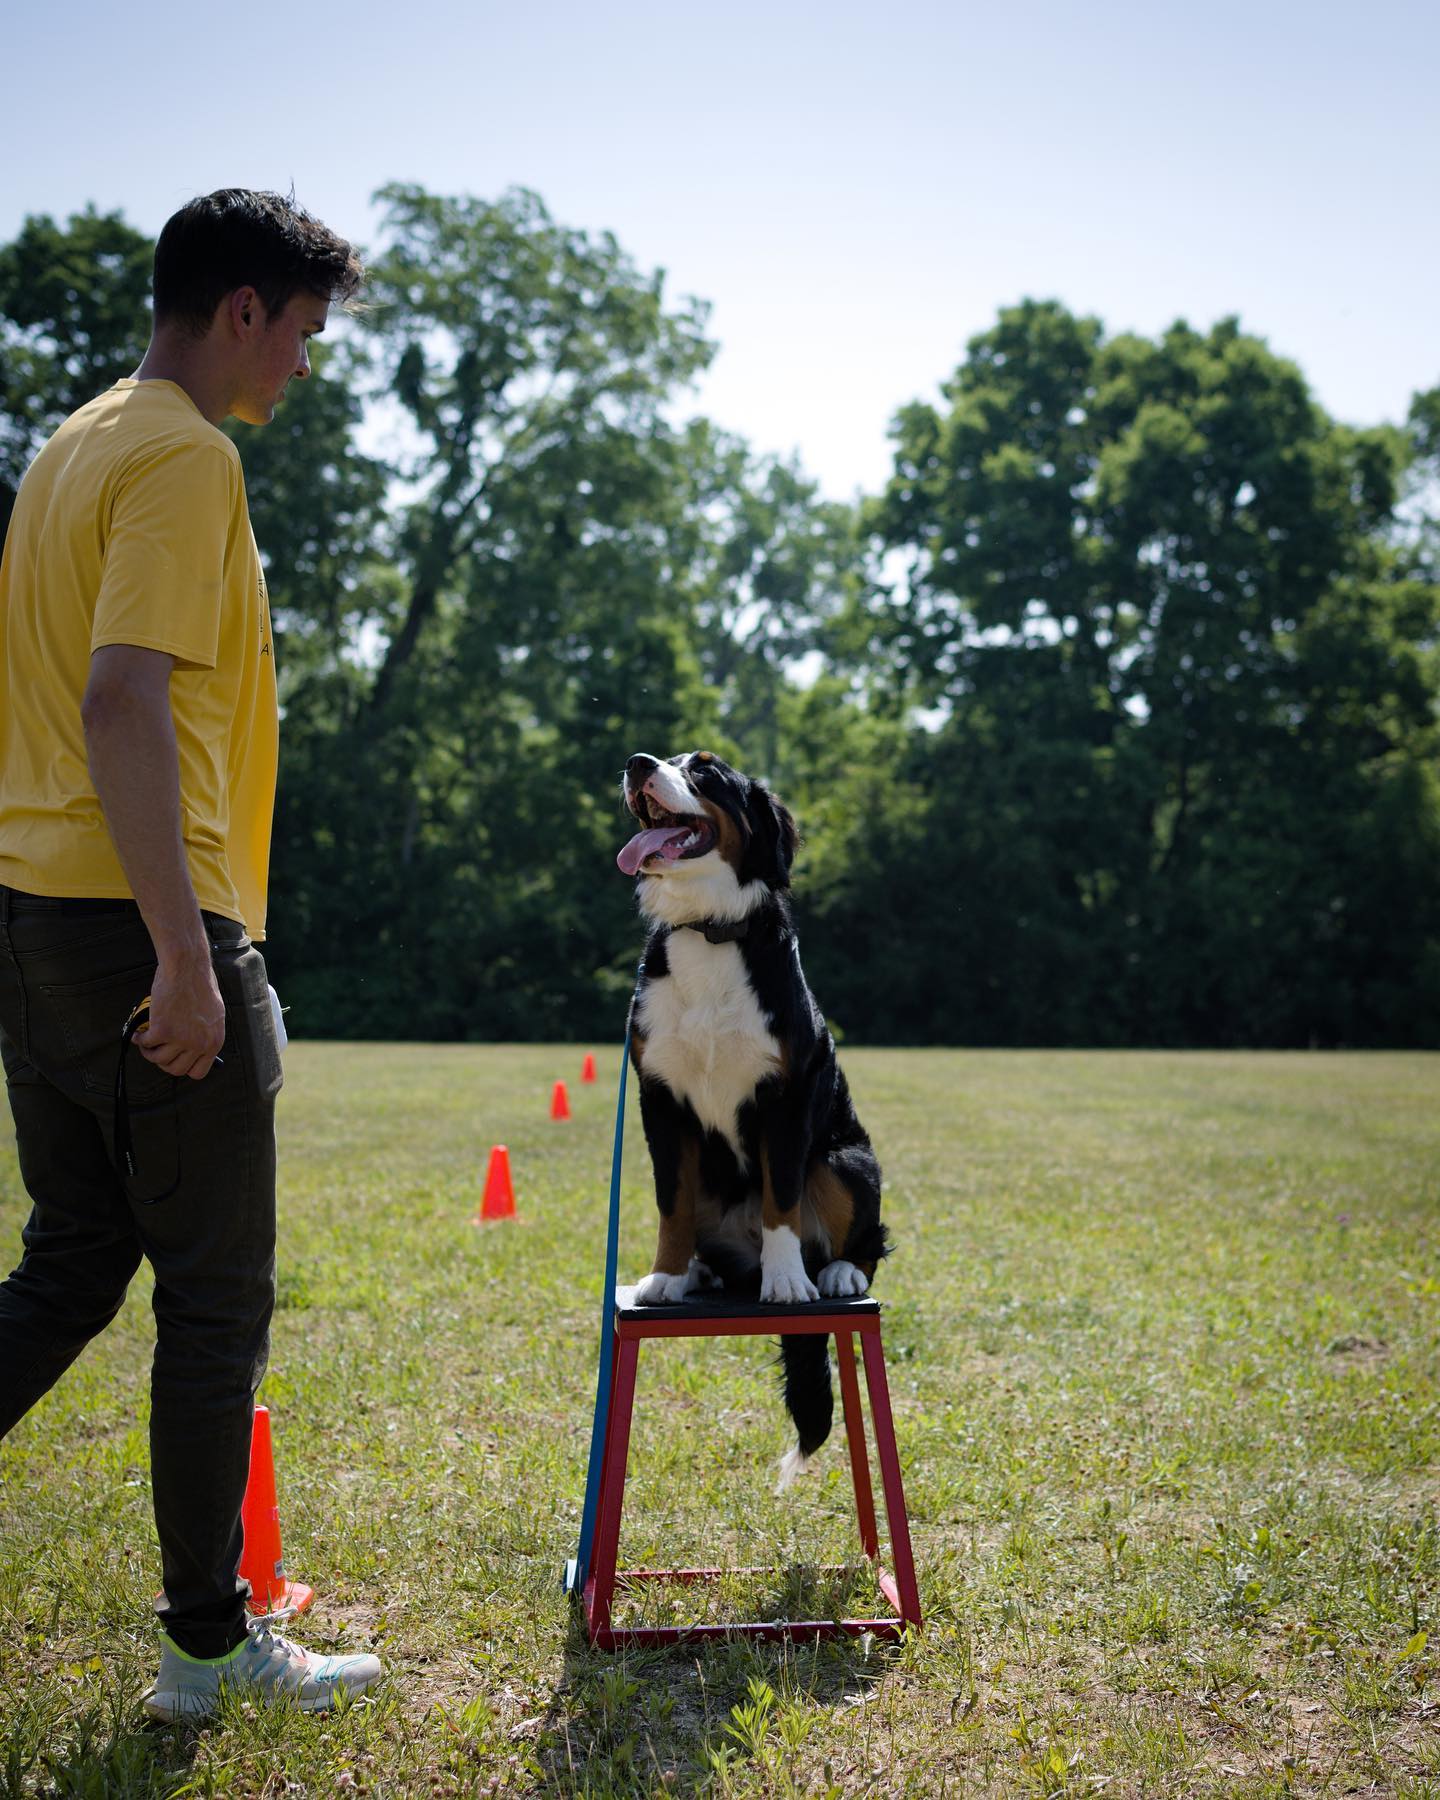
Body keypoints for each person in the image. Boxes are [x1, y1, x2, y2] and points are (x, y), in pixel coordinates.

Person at [0, 189, 382, 1720]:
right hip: (140, 928)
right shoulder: (181, 453)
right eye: (299, 333)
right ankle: (206, 1657)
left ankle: (206, 1641)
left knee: (75, 1262)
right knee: (214, 1301)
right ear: (240, 310)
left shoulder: (68, 444)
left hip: (33, 920)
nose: (302, 364)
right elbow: (118, 698)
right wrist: (184, 957)